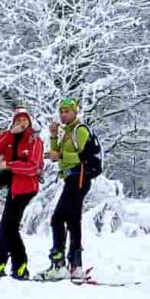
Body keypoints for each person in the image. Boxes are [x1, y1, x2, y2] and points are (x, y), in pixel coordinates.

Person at [44, 98, 102, 282]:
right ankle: (74, 266)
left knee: (57, 219)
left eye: (67, 111)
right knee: (72, 220)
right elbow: (56, 158)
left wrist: (60, 154)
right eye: (61, 111)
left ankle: (61, 264)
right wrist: (53, 136)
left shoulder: (80, 130)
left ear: (75, 112)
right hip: (71, 178)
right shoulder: (67, 132)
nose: (63, 114)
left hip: (80, 177)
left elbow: (83, 156)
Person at [0, 108, 44, 279]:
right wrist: (9, 133)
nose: (21, 123)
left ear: (30, 122)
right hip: (12, 188)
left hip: (25, 188)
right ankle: (2, 266)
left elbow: (33, 166)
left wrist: (10, 165)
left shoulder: (34, 140)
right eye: (18, 120)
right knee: (6, 227)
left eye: (25, 120)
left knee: (8, 227)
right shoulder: (11, 137)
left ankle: (16, 265)